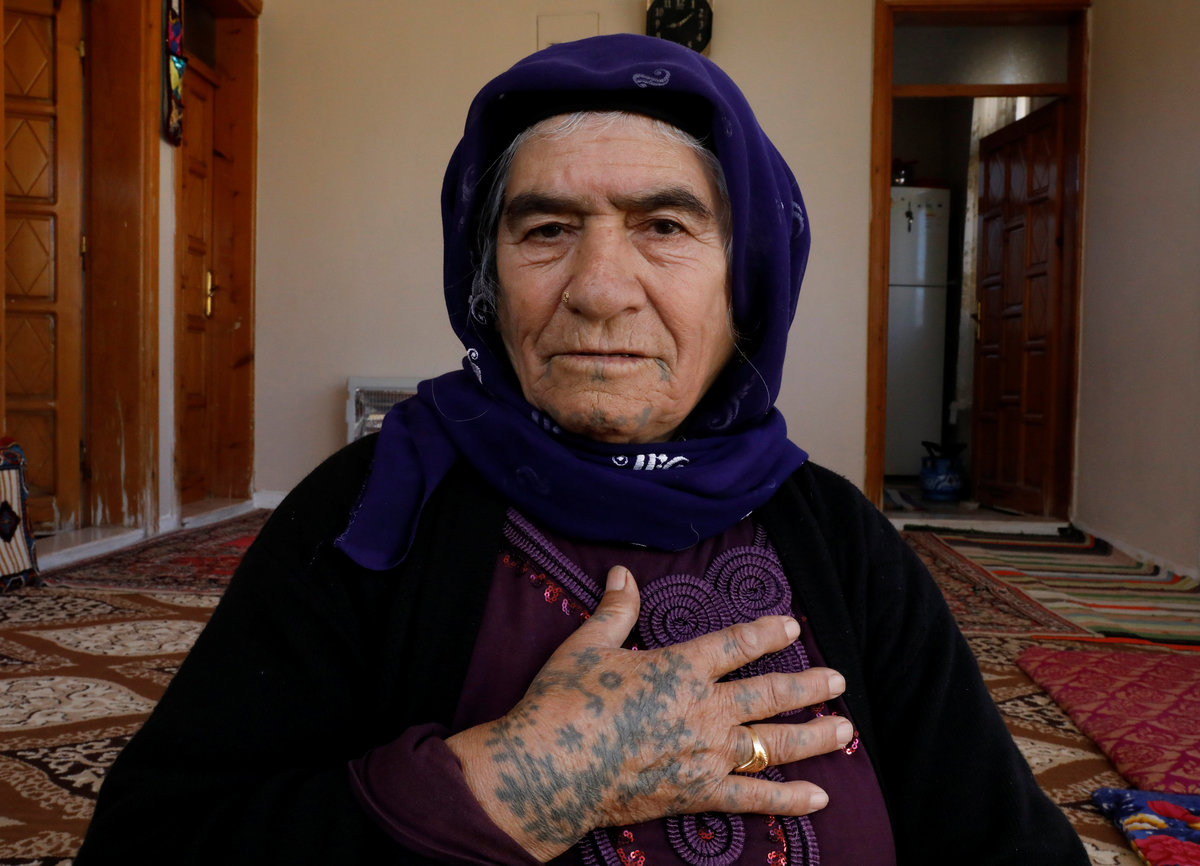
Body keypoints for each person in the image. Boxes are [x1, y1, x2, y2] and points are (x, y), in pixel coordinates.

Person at [76, 34, 1089, 865]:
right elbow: (152, 842)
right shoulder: (375, 503)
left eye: (665, 225)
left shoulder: (840, 539)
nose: (600, 289)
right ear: (486, 279)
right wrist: (515, 781)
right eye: (547, 229)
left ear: (747, 283)